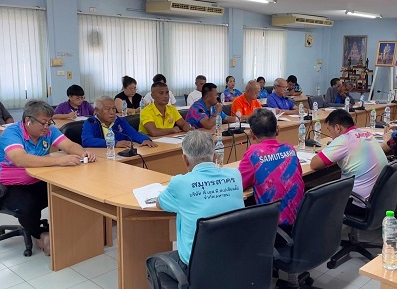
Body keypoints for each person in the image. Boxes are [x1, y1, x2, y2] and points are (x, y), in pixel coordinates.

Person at [0, 100, 97, 256]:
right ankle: (39, 234)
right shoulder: (12, 133)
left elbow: (69, 145)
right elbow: (21, 160)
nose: (47, 127)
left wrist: (82, 153)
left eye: (49, 122)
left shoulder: (48, 131)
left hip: (37, 179)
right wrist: (58, 161)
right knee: (28, 205)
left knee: (67, 192)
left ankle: (74, 233)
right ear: (28, 120)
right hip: (7, 186)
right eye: (43, 123)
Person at [149, 131, 244, 284]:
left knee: (154, 264)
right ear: (214, 157)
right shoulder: (235, 175)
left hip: (196, 265)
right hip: (235, 257)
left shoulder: (180, 183)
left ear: (185, 160)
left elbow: (160, 203)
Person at [310, 109, 388, 216]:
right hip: (380, 200)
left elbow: (314, 164)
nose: (331, 135)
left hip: (359, 204)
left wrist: (329, 150)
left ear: (338, 128)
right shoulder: (366, 133)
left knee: (313, 196)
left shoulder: (344, 139)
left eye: (329, 130)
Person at [238, 109, 304, 227]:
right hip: (300, 222)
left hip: (274, 230)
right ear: (277, 130)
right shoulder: (289, 148)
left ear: (252, 134)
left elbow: (238, 184)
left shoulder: (253, 154)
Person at [82, 96, 157, 148]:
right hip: (99, 156)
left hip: (118, 154)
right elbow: (87, 140)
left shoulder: (119, 120)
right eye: (107, 109)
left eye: (114, 109)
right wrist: (114, 143)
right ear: (96, 111)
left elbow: (133, 133)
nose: (112, 112)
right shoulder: (91, 122)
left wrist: (144, 139)